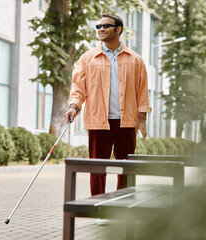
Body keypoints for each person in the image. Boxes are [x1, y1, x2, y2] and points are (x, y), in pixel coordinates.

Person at [64, 13, 152, 197]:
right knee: (97, 168)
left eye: (106, 26)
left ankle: (124, 202)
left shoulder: (136, 60)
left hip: (126, 122)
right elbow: (78, 88)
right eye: (98, 26)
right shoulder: (87, 59)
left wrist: (141, 119)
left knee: (127, 167)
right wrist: (73, 105)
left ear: (118, 29)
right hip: (98, 121)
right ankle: (97, 206)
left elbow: (142, 92)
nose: (101, 29)